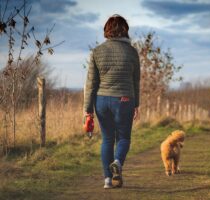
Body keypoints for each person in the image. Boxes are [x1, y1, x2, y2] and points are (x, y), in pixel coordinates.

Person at [83, 14, 140, 189]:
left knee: (107, 139)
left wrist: (88, 108)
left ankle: (108, 180)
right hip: (124, 99)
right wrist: (136, 104)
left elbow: (91, 82)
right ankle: (117, 162)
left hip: (101, 101)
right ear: (125, 30)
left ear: (107, 30)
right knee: (123, 138)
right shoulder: (132, 52)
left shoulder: (96, 51)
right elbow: (135, 80)